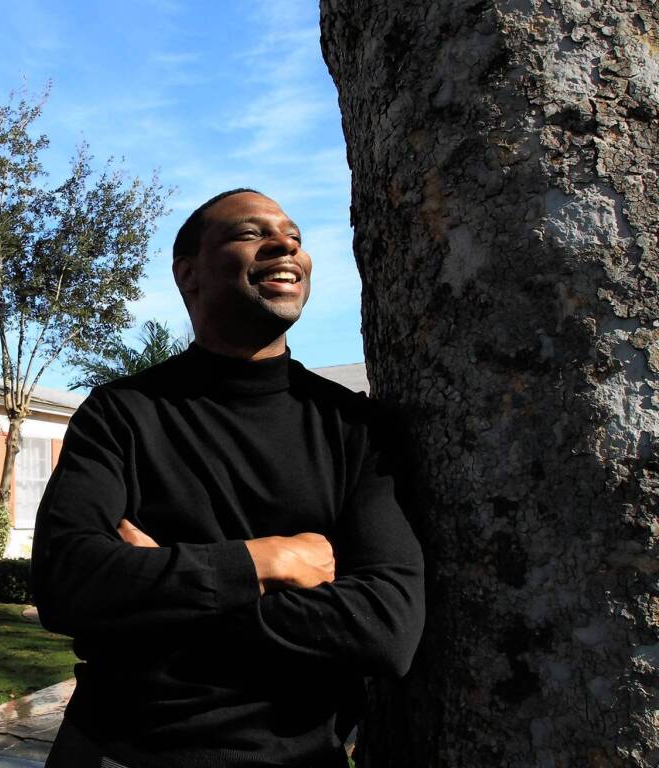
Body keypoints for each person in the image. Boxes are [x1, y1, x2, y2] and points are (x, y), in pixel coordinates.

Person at [32, 189, 426, 768]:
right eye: (249, 233)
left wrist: (162, 599)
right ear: (189, 275)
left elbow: (386, 628)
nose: (285, 243)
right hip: (118, 752)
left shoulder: (354, 427)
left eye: (293, 234)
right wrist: (262, 562)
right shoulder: (122, 414)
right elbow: (65, 583)